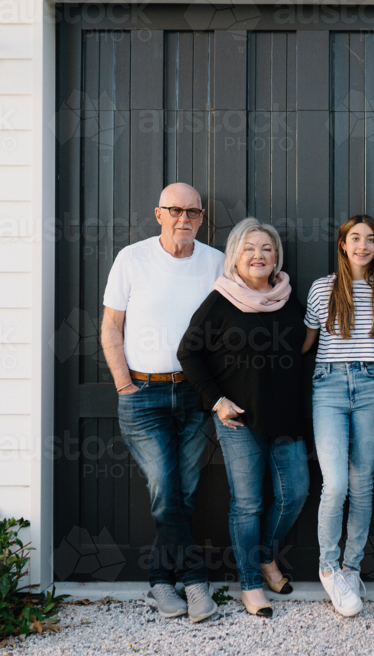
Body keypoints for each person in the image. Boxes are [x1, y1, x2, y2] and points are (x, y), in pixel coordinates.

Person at [99, 182, 223, 623]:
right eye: (175, 211)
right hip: (142, 394)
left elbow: (238, 314)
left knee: (180, 493)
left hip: (193, 393)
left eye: (192, 212)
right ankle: (194, 580)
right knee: (165, 489)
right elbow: (111, 327)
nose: (183, 219)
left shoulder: (216, 262)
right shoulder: (131, 258)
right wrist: (123, 384)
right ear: (159, 214)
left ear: (202, 218)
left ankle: (158, 582)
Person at [177, 218, 309, 619]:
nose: (259, 256)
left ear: (276, 257)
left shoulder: (288, 298)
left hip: (287, 414)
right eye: (249, 248)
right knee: (248, 504)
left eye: (267, 248)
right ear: (235, 256)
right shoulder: (221, 300)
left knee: (295, 493)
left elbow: (303, 350)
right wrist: (216, 400)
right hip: (238, 419)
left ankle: (267, 555)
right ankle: (250, 582)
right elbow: (189, 353)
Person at [302, 215, 374, 617]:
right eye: (355, 238)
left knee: (362, 482)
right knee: (337, 482)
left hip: (372, 385)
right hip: (328, 385)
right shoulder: (322, 289)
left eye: (370, 239)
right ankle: (328, 568)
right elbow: (307, 343)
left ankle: (351, 568)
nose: (362, 246)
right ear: (343, 244)